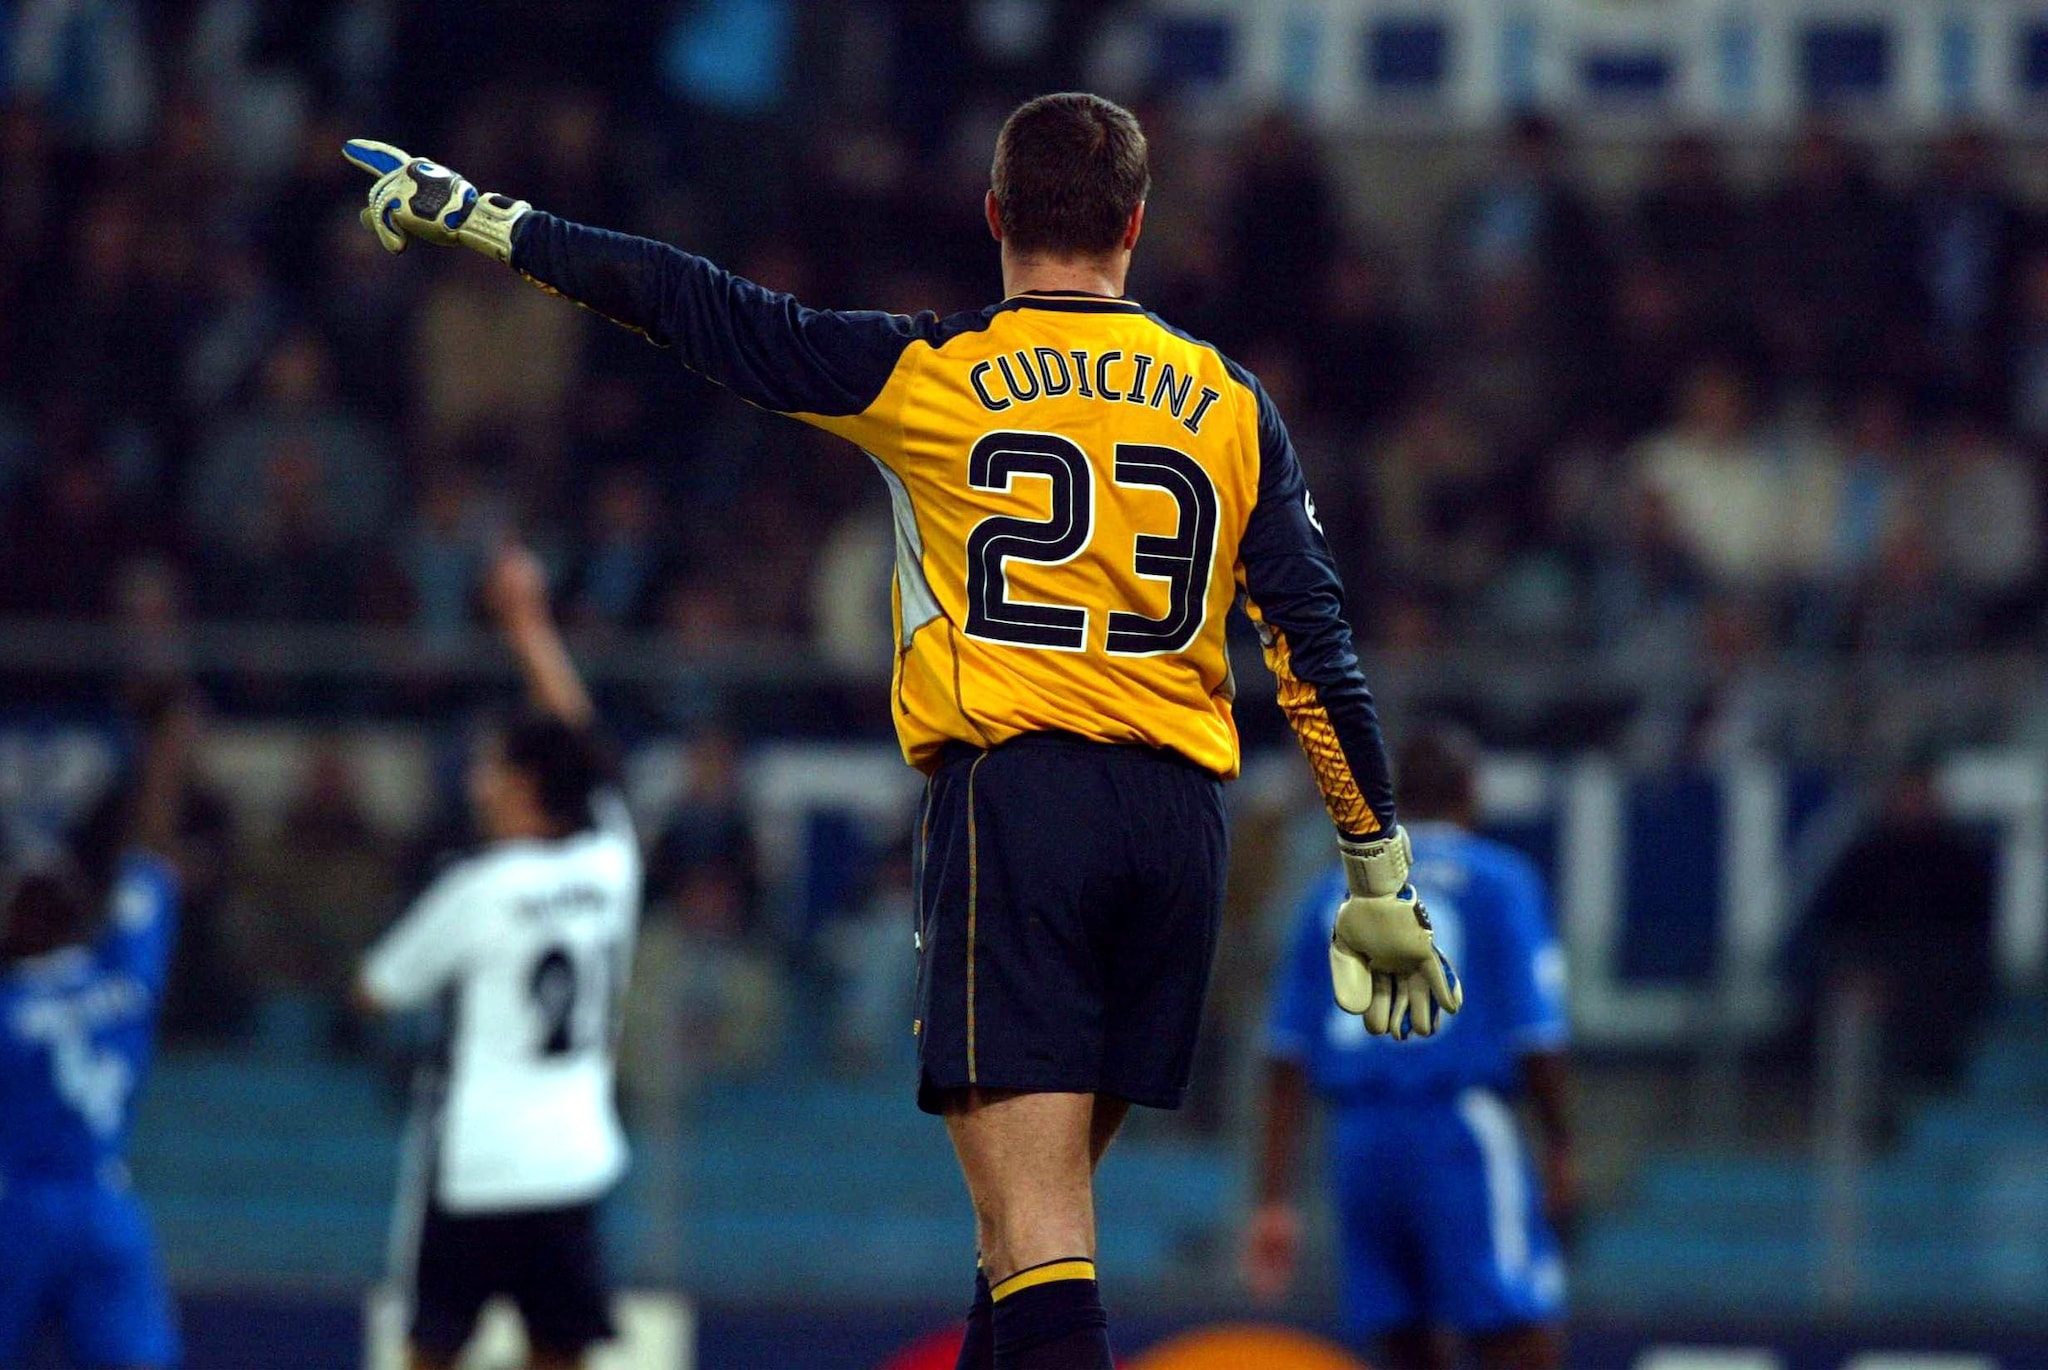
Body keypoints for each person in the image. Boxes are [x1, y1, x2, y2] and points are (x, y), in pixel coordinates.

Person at [343, 92, 1460, 1369]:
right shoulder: (1229, 403)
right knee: (1017, 1239)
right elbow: (1315, 652)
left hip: (1021, 808)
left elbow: (697, 304)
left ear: (993, 215)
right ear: (1135, 227)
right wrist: (1375, 866)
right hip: (1176, 833)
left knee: (1035, 1231)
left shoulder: (929, 371)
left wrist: (499, 224)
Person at [355, 544, 640, 1370]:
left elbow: (377, 987)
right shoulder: (610, 864)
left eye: (493, 769)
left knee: (432, 1347)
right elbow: (589, 748)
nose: (479, 782)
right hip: (571, 1157)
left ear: (525, 787)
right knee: (560, 1352)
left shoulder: (479, 888)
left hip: (475, 1160)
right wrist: (530, 628)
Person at [1246, 727, 1572, 1370]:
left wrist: (1274, 1199)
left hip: (1358, 1139)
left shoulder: (1329, 891)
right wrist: (1561, 1144)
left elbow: (1287, 1055)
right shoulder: (1500, 881)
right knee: (1516, 1331)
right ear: (1471, 794)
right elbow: (1538, 1036)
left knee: (1404, 1343)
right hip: (1459, 1126)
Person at [0, 687, 197, 1370]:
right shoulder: (123, 982)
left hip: (15, 1211)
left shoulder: (7, 1012)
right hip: (105, 1207)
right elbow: (152, 860)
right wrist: (168, 751)